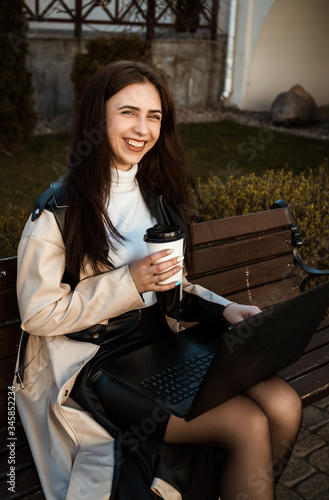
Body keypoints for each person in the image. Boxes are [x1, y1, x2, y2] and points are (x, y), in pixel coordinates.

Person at [14, 60, 302, 500]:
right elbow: (38, 313)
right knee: (247, 422)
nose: (142, 128)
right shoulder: (59, 211)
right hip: (97, 364)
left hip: (162, 345)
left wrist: (224, 309)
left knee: (285, 405)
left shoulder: (155, 196)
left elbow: (172, 284)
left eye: (154, 116)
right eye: (128, 112)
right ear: (98, 116)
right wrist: (128, 281)